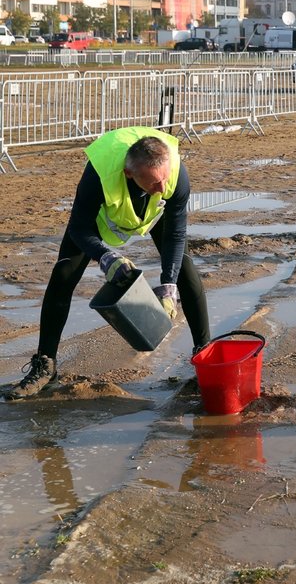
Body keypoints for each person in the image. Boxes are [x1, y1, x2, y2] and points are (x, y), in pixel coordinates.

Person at [9, 127, 211, 400]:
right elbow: (79, 228)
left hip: (155, 214)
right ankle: (45, 365)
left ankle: (205, 355)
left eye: (164, 180)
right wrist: (105, 257)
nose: (161, 188)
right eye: (153, 183)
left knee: (184, 269)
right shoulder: (99, 173)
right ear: (130, 173)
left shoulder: (173, 173)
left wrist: (168, 285)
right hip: (98, 220)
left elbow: (176, 233)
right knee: (64, 274)